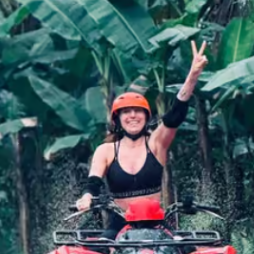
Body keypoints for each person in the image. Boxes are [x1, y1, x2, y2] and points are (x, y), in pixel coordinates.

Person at [75, 41, 209, 239]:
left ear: (146, 117)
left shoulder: (156, 144)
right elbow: (93, 183)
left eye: (138, 111)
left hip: (157, 225)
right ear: (118, 120)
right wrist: (86, 197)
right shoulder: (106, 150)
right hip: (118, 226)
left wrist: (193, 75)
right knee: (99, 251)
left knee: (186, 248)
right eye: (126, 112)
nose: (132, 116)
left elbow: (174, 116)